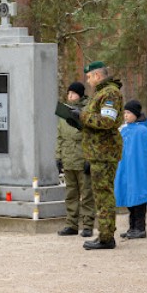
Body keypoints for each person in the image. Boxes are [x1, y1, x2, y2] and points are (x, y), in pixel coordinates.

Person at [78, 61, 125, 252]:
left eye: (89, 77)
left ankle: (106, 237)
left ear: (97, 76)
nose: (87, 81)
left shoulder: (110, 93)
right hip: (99, 151)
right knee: (101, 193)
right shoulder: (100, 93)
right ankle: (105, 234)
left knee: (104, 194)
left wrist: (82, 116)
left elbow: (107, 121)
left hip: (104, 152)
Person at [57, 81, 97, 238]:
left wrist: (90, 158)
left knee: (87, 194)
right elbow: (60, 137)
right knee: (71, 194)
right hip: (68, 159)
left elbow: (92, 136)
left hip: (82, 159)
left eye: (73, 93)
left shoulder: (87, 111)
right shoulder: (64, 113)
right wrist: (58, 157)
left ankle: (87, 225)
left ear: (80, 95)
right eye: (68, 93)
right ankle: (71, 224)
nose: (69, 96)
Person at [117, 99, 147, 239]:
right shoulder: (125, 129)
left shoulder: (142, 131)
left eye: (128, 112)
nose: (126, 115)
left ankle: (140, 228)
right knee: (130, 198)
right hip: (127, 170)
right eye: (124, 112)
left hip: (138, 171)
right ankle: (132, 227)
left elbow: (146, 154)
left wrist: (142, 170)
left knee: (139, 198)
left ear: (136, 114)